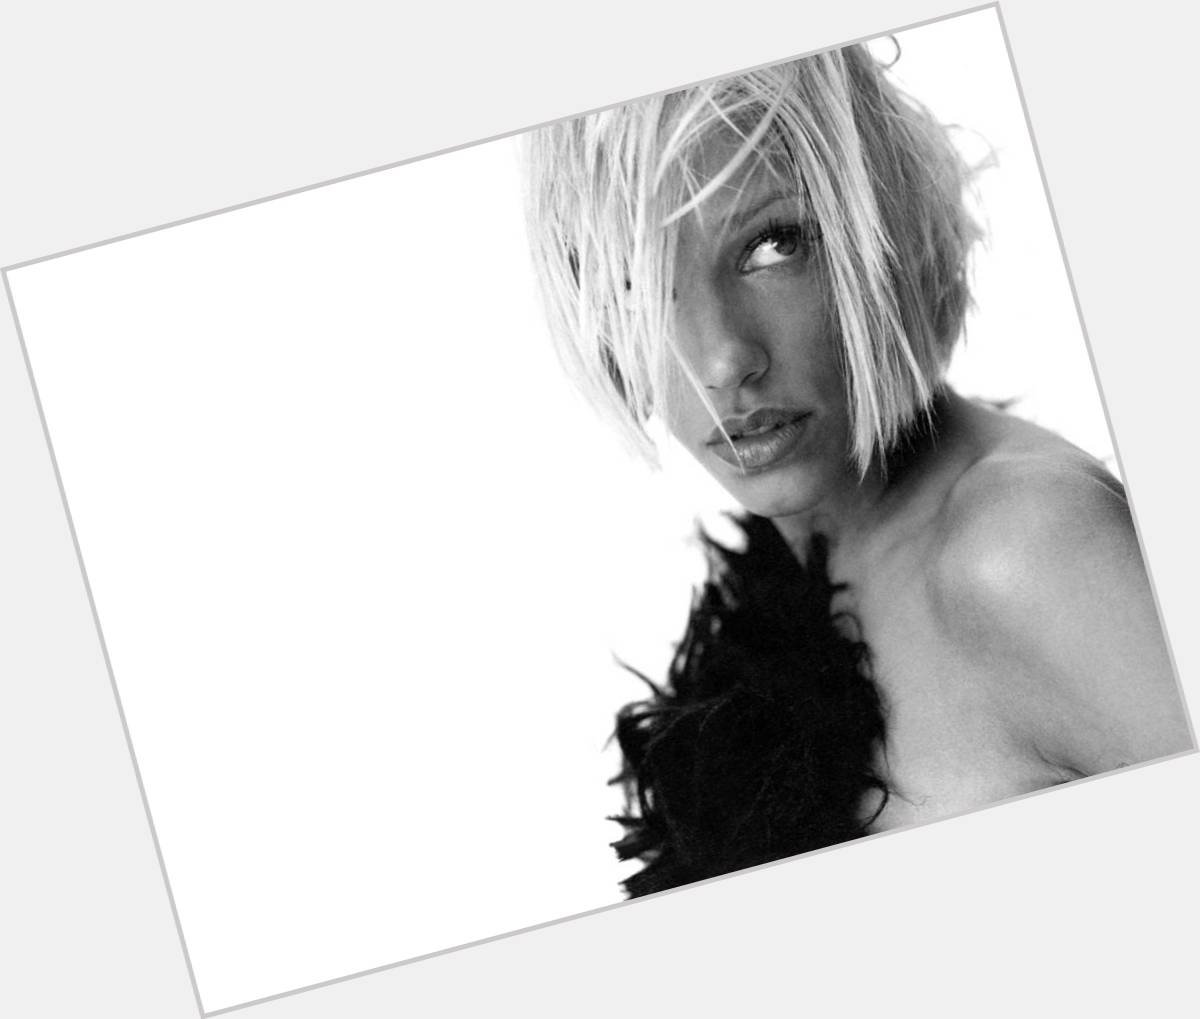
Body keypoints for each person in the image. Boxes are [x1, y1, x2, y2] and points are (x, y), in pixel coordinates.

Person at [520, 42, 1190, 897]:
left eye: (774, 244)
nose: (721, 360)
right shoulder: (784, 591)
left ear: (879, 219)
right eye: (635, 284)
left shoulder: (1027, 552)